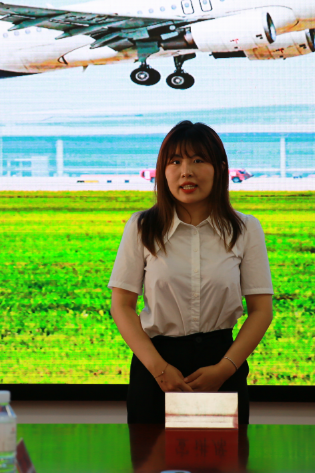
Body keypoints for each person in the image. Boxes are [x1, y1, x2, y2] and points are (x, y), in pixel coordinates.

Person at [109, 120, 274, 425]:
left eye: (198, 160)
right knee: (148, 453)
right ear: (163, 171)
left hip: (221, 366)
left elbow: (261, 311)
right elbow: (121, 306)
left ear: (220, 169)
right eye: (175, 162)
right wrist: (159, 369)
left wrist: (224, 370)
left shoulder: (245, 228)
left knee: (225, 456)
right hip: (155, 369)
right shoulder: (142, 227)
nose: (186, 171)